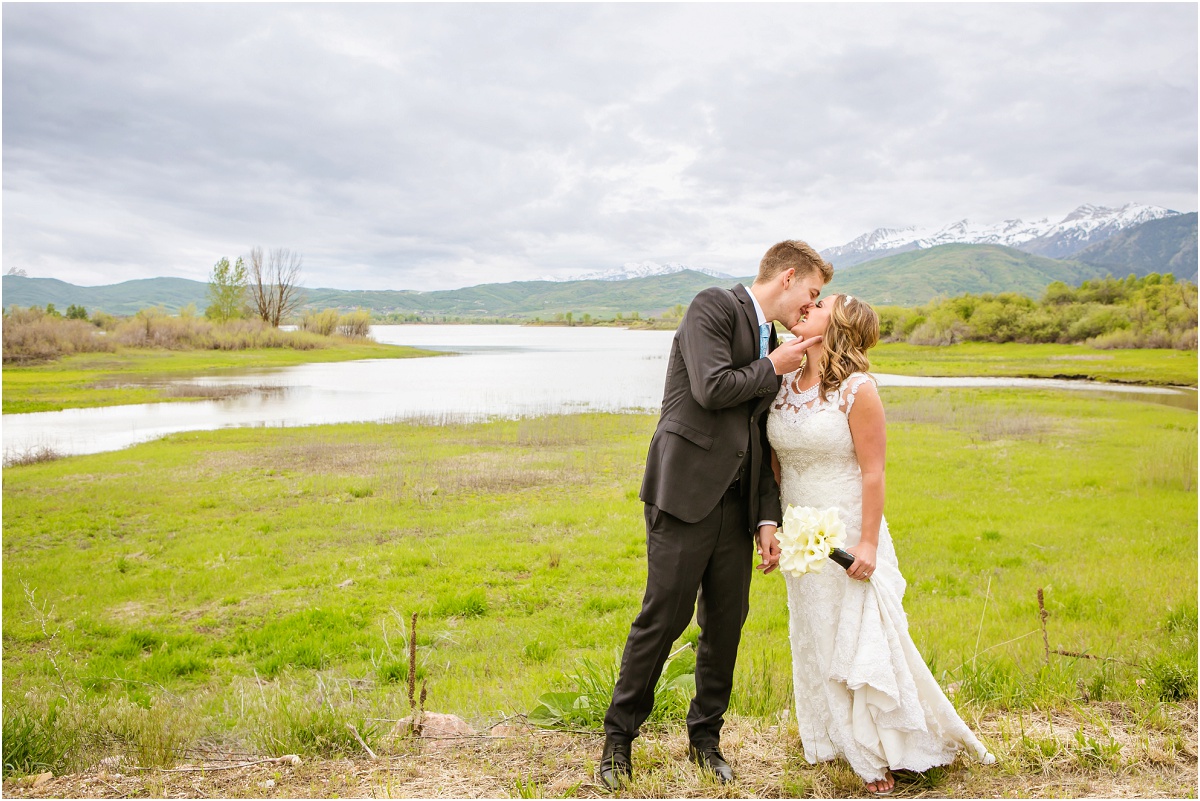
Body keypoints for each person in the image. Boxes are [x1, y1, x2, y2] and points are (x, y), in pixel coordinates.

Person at [598, 240, 834, 791]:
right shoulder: (713, 307)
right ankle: (618, 742)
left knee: (725, 624)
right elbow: (710, 389)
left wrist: (766, 518)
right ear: (788, 277)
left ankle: (706, 740)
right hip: (683, 497)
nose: (810, 306)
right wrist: (771, 368)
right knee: (664, 618)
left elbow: (759, 436)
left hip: (736, 507)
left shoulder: (769, 338)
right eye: (812, 294)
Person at [763, 294, 995, 795]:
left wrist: (866, 543)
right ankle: (834, 739)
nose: (808, 304)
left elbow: (873, 472)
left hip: (847, 526)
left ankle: (878, 752)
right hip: (800, 527)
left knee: (859, 637)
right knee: (817, 635)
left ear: (839, 324)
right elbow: (777, 463)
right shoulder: (784, 381)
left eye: (820, 304)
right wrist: (774, 527)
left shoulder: (857, 389)